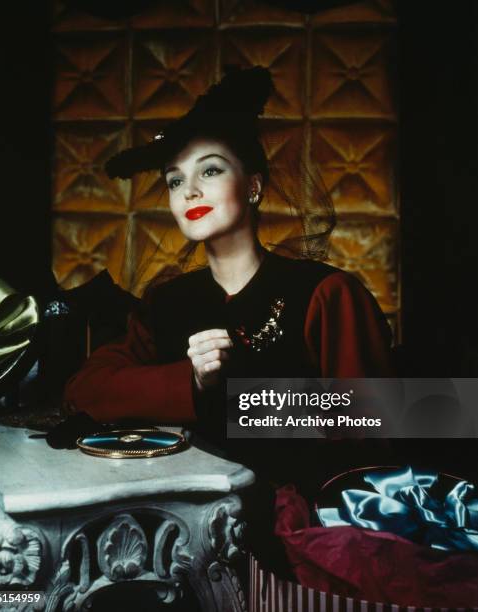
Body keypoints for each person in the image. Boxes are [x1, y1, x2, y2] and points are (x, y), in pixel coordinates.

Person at [64, 65, 395, 478]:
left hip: (304, 512)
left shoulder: (325, 293)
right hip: (182, 517)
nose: (190, 190)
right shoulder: (166, 302)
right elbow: (85, 390)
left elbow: (378, 423)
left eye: (211, 170)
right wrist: (193, 384)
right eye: (173, 180)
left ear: (253, 186)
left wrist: (232, 398)